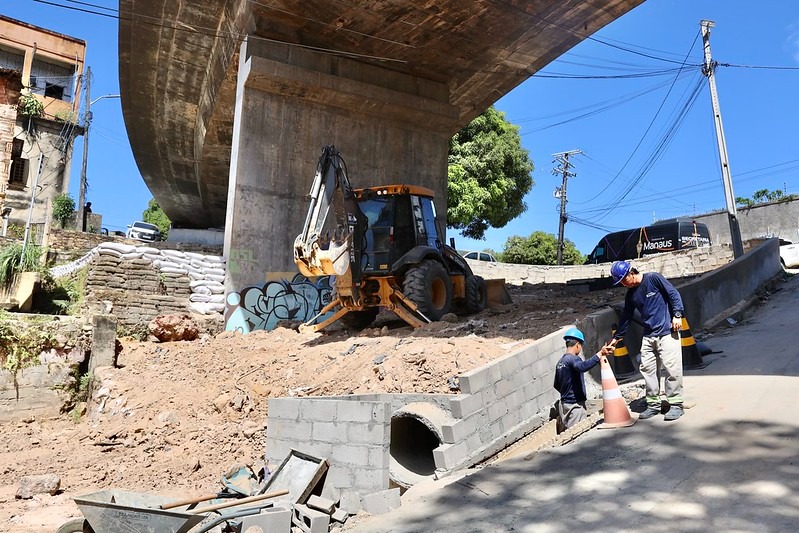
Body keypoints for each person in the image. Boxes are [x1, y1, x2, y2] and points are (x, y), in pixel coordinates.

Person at [610, 260, 685, 421]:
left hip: (667, 332)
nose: (623, 284)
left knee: (672, 368)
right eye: (621, 282)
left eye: (624, 279)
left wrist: (677, 315)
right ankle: (653, 404)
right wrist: (616, 339)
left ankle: (676, 404)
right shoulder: (631, 295)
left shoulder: (653, 279)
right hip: (648, 335)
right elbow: (626, 317)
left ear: (631, 273)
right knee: (648, 369)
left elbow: (673, 294)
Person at [553, 327, 614, 433]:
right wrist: (599, 355)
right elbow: (582, 366)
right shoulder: (573, 359)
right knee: (576, 435)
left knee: (567, 433)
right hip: (574, 407)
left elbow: (556, 385)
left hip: (564, 406)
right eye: (580, 346)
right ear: (577, 344)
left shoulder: (560, 362)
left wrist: (567, 393)